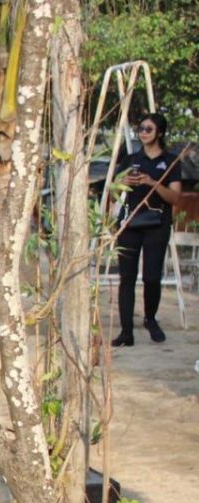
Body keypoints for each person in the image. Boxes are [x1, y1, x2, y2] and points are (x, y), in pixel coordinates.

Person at [112, 112, 184, 347]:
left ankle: (150, 319)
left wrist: (152, 183)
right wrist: (123, 183)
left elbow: (174, 197)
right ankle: (126, 332)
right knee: (127, 278)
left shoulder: (171, 161)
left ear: (159, 133)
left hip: (157, 224)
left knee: (152, 277)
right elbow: (112, 188)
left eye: (148, 129)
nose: (142, 133)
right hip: (130, 223)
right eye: (140, 129)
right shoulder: (131, 159)